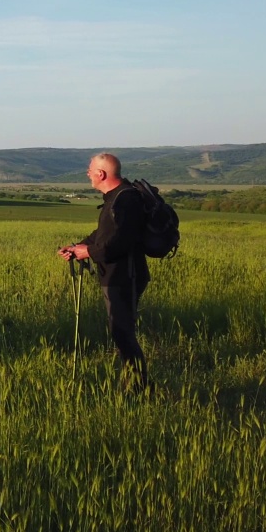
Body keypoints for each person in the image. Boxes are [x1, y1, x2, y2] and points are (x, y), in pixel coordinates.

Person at [58, 153, 151, 392]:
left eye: (90, 170)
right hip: (116, 276)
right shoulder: (115, 198)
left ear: (101, 174)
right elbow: (103, 235)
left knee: (123, 334)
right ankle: (135, 386)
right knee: (120, 332)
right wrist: (78, 246)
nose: (88, 174)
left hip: (124, 277)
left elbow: (119, 243)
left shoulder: (125, 200)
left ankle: (138, 389)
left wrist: (87, 252)